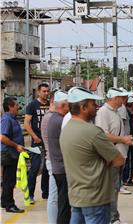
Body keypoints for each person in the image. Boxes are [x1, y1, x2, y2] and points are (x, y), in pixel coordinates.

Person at [60, 87, 125, 224]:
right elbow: (118, 160)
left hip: (76, 196)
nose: (96, 107)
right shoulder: (93, 132)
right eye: (93, 104)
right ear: (83, 107)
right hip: (96, 198)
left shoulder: (66, 130)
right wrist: (104, 161)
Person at [95, 87, 133, 224]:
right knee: (111, 188)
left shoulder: (116, 111)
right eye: (121, 97)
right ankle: (112, 218)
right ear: (115, 98)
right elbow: (103, 135)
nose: (124, 100)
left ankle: (113, 215)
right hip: (110, 157)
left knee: (115, 187)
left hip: (118, 156)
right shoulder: (103, 113)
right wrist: (123, 139)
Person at [24, 83, 50, 204]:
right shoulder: (32, 105)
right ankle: (30, 194)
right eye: (44, 91)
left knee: (46, 168)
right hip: (37, 142)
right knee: (34, 168)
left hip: (48, 141)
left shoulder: (51, 105)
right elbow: (26, 124)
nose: (46, 93)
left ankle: (46, 193)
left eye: (47, 91)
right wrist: (35, 137)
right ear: (38, 92)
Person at [47, 90, 70, 224]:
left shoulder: (54, 118)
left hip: (58, 167)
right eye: (69, 105)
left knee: (63, 203)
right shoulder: (60, 121)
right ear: (62, 105)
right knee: (64, 205)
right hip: (62, 168)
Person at [0, 97, 25, 213]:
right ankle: (9, 205)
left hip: (12, 154)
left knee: (7, 180)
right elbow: (3, 137)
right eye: (16, 105)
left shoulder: (12, 119)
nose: (18, 107)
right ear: (10, 106)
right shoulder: (6, 119)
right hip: (9, 154)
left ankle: (4, 201)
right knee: (10, 180)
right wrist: (16, 146)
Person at [40, 91, 57, 223]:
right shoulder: (50, 118)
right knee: (54, 196)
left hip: (53, 160)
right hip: (54, 160)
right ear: (53, 101)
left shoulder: (50, 116)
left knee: (55, 196)